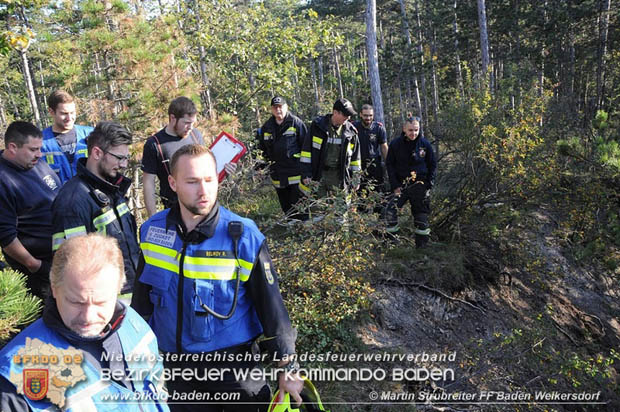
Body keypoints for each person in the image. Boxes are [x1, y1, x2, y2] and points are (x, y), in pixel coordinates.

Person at [131, 144, 303, 411]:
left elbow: (272, 309)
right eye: (192, 182)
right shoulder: (153, 232)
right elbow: (141, 304)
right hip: (177, 372)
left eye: (210, 180)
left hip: (235, 372)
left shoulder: (244, 237)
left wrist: (288, 366)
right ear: (173, 183)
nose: (203, 191)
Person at [0, 234, 169, 412]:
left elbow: (157, 391)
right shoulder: (18, 371)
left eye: (100, 302)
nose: (88, 317)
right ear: (54, 289)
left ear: (119, 288)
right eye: (76, 302)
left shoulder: (134, 324)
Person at [51, 121, 140, 294]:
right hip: (104, 301)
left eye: (126, 158)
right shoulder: (72, 201)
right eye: (119, 158)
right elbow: (70, 266)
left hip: (133, 294)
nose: (124, 165)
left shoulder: (113, 189)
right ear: (97, 153)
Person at [0, 121, 60, 299]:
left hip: (62, 256)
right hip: (38, 270)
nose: (39, 154)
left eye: (40, 149)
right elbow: (6, 236)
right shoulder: (3, 180)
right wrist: (35, 265)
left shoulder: (36, 164)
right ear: (12, 147)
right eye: (33, 149)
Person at [385, 116, 437, 247]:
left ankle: (422, 247)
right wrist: (395, 185)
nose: (413, 133)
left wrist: (429, 184)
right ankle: (393, 245)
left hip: (420, 186)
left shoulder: (425, 145)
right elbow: (390, 165)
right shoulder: (395, 144)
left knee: (421, 217)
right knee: (390, 211)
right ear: (404, 129)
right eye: (410, 130)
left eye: (416, 130)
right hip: (400, 186)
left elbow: (432, 164)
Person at [256, 96, 308, 221]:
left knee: (300, 204)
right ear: (271, 109)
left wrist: (307, 172)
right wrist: (259, 169)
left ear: (286, 107)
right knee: (285, 204)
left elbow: (306, 149)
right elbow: (260, 150)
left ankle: (304, 229)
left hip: (295, 173)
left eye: (280, 106)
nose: (278, 110)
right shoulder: (266, 127)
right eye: (275, 107)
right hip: (278, 174)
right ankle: (290, 227)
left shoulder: (296, 123)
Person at [300, 98, 361, 197]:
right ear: (335, 112)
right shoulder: (317, 127)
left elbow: (356, 159)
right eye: (345, 115)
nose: (348, 118)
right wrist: (306, 173)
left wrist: (356, 178)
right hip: (319, 174)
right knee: (318, 208)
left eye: (349, 115)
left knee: (340, 209)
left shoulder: (351, 132)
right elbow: (306, 152)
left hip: (339, 176)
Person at [41, 90, 94, 185]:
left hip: (89, 197)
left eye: (72, 112)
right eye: (64, 113)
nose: (69, 118)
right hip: (58, 198)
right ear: (51, 112)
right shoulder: (41, 143)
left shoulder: (91, 134)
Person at [352, 104, 388, 196]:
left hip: (374, 166)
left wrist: (389, 164)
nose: (368, 118)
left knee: (377, 194)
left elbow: (384, 147)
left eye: (370, 115)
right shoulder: (353, 127)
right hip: (358, 166)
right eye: (365, 115)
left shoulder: (378, 128)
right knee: (359, 194)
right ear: (360, 114)